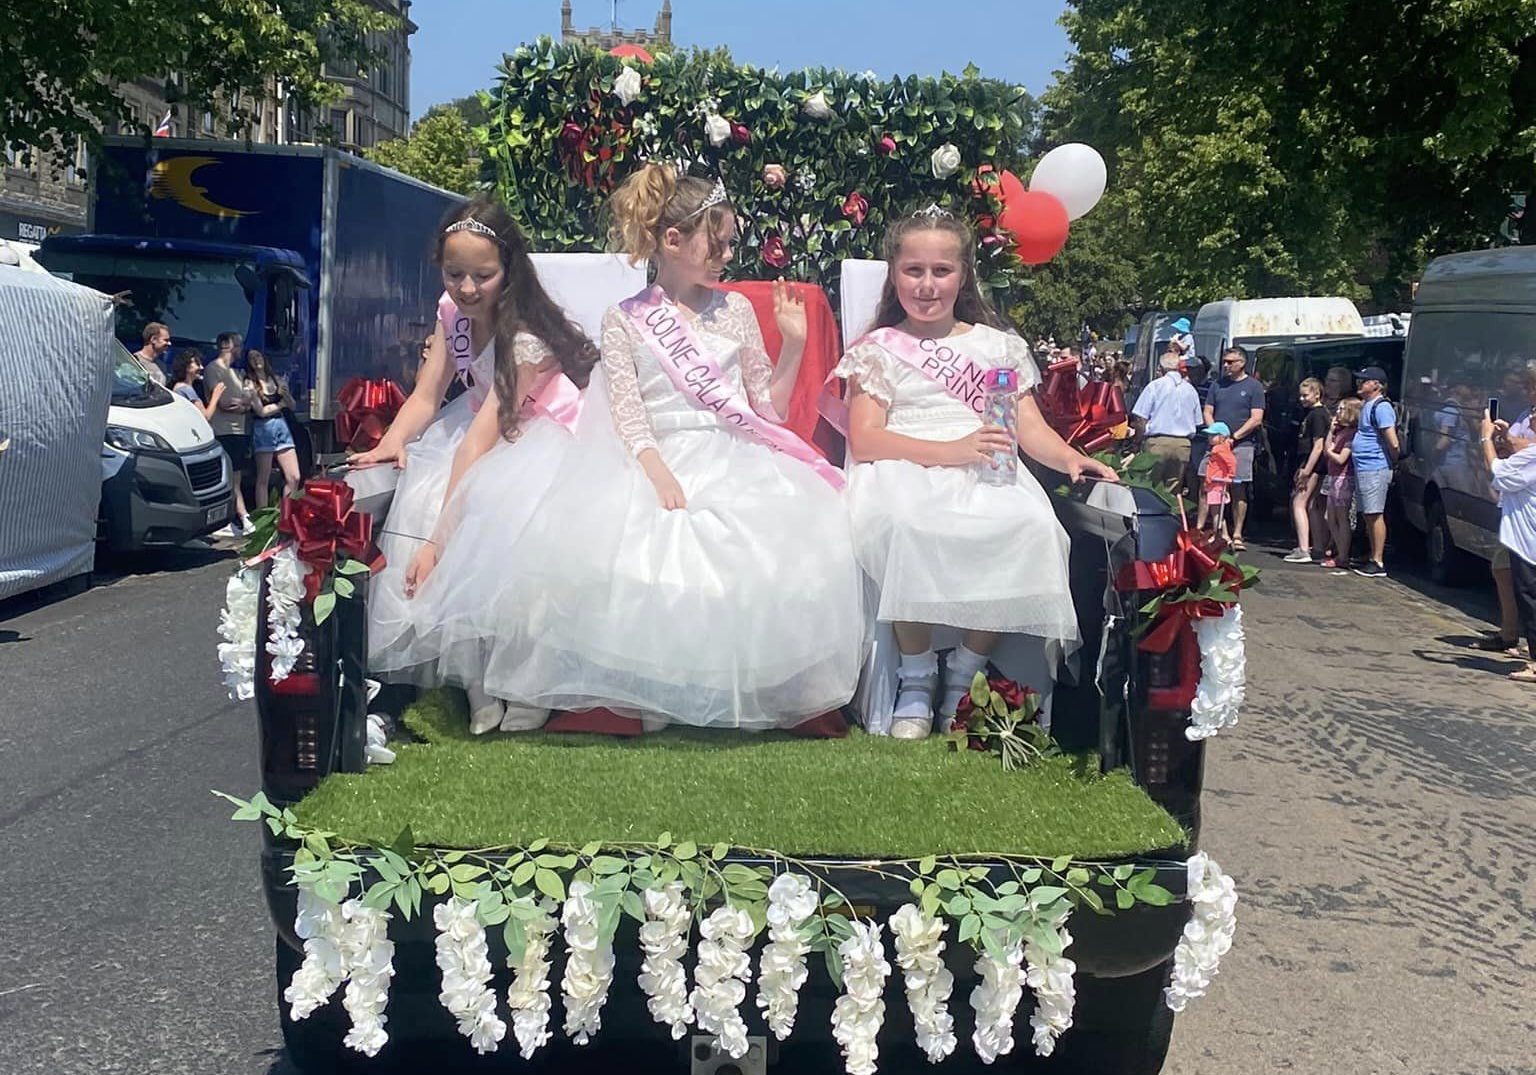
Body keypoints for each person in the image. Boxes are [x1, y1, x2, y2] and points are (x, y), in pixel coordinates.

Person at [444, 166, 865, 732]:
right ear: (673, 240)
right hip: (654, 454)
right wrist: (657, 471)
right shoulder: (625, 318)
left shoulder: (736, 310)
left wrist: (793, 347)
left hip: (732, 449)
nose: (726, 254)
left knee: (775, 541)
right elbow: (629, 415)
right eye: (717, 242)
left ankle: (720, 685)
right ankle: (652, 685)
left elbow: (766, 411)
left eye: (729, 242)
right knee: (650, 544)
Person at [834, 206, 1118, 739]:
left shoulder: (997, 347)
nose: (926, 284)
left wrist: (1069, 457)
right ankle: (916, 680)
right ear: (894, 274)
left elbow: (1025, 428)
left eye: (941, 271)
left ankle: (965, 674)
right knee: (903, 525)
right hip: (904, 465)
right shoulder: (878, 349)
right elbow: (867, 439)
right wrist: (953, 450)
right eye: (913, 270)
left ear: (963, 275)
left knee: (1029, 528)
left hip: (984, 464)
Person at [388, 202, 600, 733]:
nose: (465, 288)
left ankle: (529, 680)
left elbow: (482, 437)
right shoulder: (450, 313)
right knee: (422, 495)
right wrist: (387, 442)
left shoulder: (526, 334)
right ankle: (475, 680)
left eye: (482, 276)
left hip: (542, 433)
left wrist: (437, 541)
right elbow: (426, 395)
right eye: (453, 273)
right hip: (481, 428)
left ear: (509, 270)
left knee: (507, 526)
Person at [1482, 407, 1536, 681]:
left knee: (1530, 593)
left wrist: (1486, 439)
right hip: (1525, 532)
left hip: (1528, 537)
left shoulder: (1532, 456)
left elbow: (1498, 473)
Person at [1201, 347, 1264, 550]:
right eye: (1224, 362)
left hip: (1241, 445)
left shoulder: (1254, 387)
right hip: (1217, 444)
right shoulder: (1217, 385)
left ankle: (1237, 533)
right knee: (1209, 485)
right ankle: (1215, 529)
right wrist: (1215, 435)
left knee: (1238, 487)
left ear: (1242, 363)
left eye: (1230, 362)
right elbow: (1208, 411)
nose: (1226, 365)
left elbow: (1256, 418)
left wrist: (1234, 437)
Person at [1351, 365, 1400, 578]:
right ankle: (1371, 555)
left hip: (1375, 466)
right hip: (1364, 467)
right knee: (1368, 514)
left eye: (1364, 380)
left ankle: (1378, 560)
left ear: (1377, 385)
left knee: (1374, 513)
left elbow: (1393, 442)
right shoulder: (1367, 405)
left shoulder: (1381, 407)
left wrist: (1393, 460)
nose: (1359, 383)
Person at [1132, 350, 1204, 493]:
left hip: (1157, 442)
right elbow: (1198, 422)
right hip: (1183, 445)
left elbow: (1140, 417)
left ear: (1161, 368)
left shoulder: (1155, 386)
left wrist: (1137, 441)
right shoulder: (1191, 390)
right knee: (1172, 490)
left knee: (1149, 487)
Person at [204, 331, 254, 536]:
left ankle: (240, 517)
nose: (241, 349)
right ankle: (237, 518)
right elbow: (224, 403)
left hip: (240, 430)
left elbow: (248, 400)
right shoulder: (213, 369)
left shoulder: (237, 373)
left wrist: (243, 404)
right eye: (238, 345)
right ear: (228, 346)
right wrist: (243, 403)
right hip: (222, 430)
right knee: (226, 477)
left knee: (237, 476)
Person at [243, 349, 300, 509]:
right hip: (263, 429)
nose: (256, 360)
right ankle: (263, 516)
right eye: (251, 358)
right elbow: (260, 411)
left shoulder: (277, 380)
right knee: (264, 477)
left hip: (281, 426)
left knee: (294, 476)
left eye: (258, 356)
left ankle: (286, 512)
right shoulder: (250, 384)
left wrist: (286, 396)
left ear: (264, 358)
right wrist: (281, 404)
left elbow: (293, 406)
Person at [1285, 377, 1331, 562]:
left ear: (1317, 393)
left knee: (1299, 502)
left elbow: (1318, 445)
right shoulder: (1312, 414)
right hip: (1311, 463)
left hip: (1314, 464)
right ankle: (1318, 547)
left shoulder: (1318, 415)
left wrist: (1307, 470)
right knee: (1312, 505)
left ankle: (1304, 548)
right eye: (1300, 396)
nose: (1302, 399)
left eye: (1306, 395)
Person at [1321, 398, 1361, 569]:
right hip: (1333, 476)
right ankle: (1340, 550)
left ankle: (1343, 555)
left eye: (1342, 409)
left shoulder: (1351, 434)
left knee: (1341, 517)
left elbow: (1341, 458)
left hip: (1344, 478)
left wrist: (1329, 451)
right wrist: (1331, 431)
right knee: (1329, 517)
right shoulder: (1339, 432)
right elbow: (1327, 445)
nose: (1337, 412)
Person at [1201, 422, 1236, 540]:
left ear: (1222, 437)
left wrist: (1230, 476)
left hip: (1217, 484)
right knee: (1217, 511)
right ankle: (1223, 535)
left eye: (1213, 435)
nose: (1210, 438)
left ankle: (1218, 536)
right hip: (1214, 483)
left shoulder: (1219, 449)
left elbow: (1231, 461)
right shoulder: (1218, 448)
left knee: (1216, 512)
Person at [169, 348, 224, 420]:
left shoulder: (179, 387)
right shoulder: (186, 390)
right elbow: (205, 417)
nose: (201, 367)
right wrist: (216, 395)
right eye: (197, 364)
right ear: (187, 367)